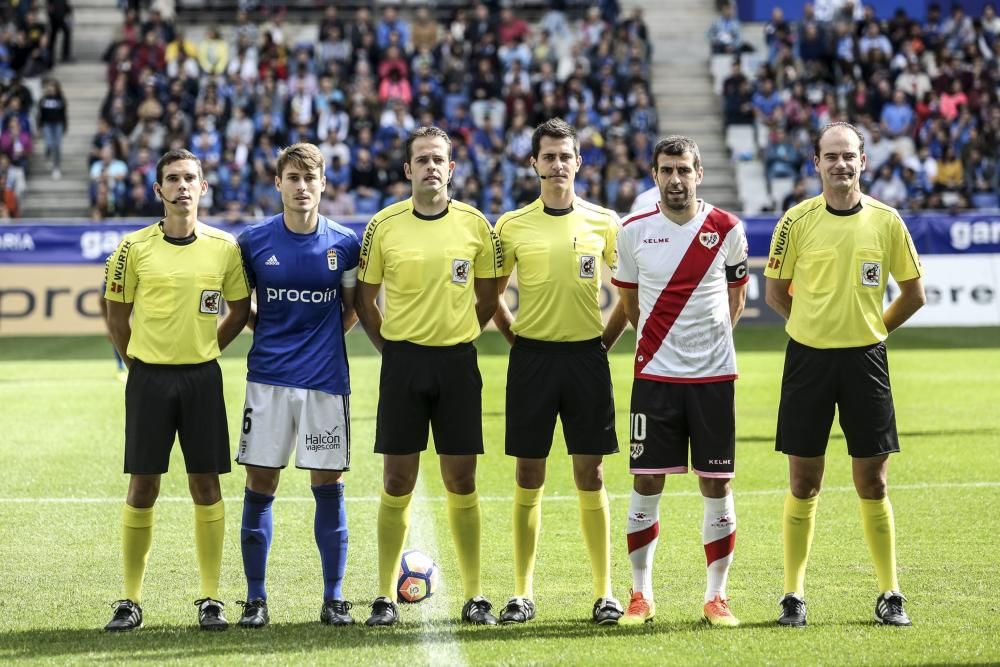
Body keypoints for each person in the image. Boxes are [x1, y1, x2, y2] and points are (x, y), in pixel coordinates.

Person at [764, 122, 926, 627]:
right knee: (803, 481)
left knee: (872, 482)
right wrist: (812, 329)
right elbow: (774, 292)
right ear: (816, 163)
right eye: (830, 156)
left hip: (865, 362)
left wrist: (874, 329)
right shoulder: (796, 220)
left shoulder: (887, 220)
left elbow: (913, 294)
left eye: (848, 156)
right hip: (807, 360)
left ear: (863, 162)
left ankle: (890, 593)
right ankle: (793, 595)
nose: (840, 164)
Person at [355, 126, 501, 627]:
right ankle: (382, 596)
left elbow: (487, 299)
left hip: (457, 364)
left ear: (452, 168)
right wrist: (390, 348)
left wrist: (460, 333)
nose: (431, 167)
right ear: (408, 170)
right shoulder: (383, 226)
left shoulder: (476, 225)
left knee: (462, 480)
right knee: (398, 480)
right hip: (403, 365)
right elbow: (364, 298)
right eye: (422, 160)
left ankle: (476, 594)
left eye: (439, 159)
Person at [102, 149, 251, 632]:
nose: (183, 185)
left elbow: (239, 309)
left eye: (191, 178)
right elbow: (116, 318)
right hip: (149, 379)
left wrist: (209, 347)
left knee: (205, 485)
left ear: (204, 188)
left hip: (203, 378)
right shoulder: (132, 249)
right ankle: (129, 600)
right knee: (143, 484)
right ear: (158, 190)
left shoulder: (226, 248)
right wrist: (141, 362)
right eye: (173, 178)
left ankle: (210, 598)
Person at [611, 136, 749, 627]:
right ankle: (640, 595)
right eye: (666, 170)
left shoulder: (727, 228)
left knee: (717, 481)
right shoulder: (631, 232)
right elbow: (629, 304)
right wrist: (660, 344)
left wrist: (706, 346)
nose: (676, 179)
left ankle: (717, 597)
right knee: (646, 480)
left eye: (684, 170)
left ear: (699, 173)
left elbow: (737, 298)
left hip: (713, 377)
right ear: (654, 175)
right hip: (655, 378)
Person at [492, 117, 624, 626]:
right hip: (532, 360)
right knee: (529, 473)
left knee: (590, 473)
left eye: (565, 156)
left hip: (586, 359)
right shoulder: (512, 225)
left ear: (578, 162)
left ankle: (604, 593)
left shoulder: (604, 222)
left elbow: (628, 294)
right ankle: (523, 594)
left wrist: (602, 344)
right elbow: (493, 295)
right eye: (547, 157)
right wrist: (516, 340)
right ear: (534, 164)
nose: (556, 164)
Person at [233, 143, 361, 629]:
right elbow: (243, 309)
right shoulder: (252, 242)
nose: (302, 186)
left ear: (324, 184)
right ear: (278, 184)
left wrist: (320, 343)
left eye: (311, 178)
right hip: (267, 382)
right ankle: (256, 600)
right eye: (293, 178)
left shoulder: (344, 243)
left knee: (328, 486)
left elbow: (351, 308)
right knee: (260, 485)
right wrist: (274, 339)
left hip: (326, 384)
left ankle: (333, 599)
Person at [38, 77, 67, 180]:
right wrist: (39, 126)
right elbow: (40, 114)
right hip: (47, 124)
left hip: (58, 124)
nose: (50, 88)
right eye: (49, 86)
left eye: (53, 86)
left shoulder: (60, 100)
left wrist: (65, 126)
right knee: (49, 143)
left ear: (56, 88)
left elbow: (64, 114)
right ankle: (48, 154)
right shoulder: (43, 100)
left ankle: (56, 167)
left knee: (57, 145)